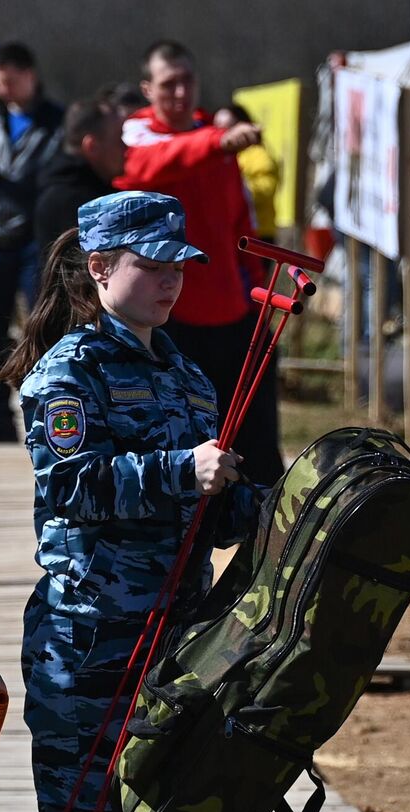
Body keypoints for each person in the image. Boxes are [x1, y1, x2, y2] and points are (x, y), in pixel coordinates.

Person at [4, 191, 380, 812]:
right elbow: (71, 488)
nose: (173, 280)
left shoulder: (185, 375)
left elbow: (212, 517)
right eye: (152, 264)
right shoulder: (64, 376)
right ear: (99, 270)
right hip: (90, 647)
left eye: (181, 265)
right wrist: (183, 470)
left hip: (184, 643)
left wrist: (277, 509)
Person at [120, 40, 283, 485]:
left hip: (233, 313)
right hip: (169, 320)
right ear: (148, 89)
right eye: (168, 84)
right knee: (184, 444)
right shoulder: (138, 132)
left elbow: (239, 225)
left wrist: (256, 294)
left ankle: (264, 536)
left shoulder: (215, 137)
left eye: (187, 81)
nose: (180, 92)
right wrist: (216, 141)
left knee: (256, 445)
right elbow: (147, 164)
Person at [0, 41, 63, 443]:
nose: (3, 91)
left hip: (36, 240)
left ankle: (50, 413)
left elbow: (56, 177)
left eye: (11, 82)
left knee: (44, 326)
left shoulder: (58, 121)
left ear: (31, 76)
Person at [33, 95, 125, 252]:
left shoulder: (96, 189)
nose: (126, 148)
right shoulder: (75, 205)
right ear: (92, 146)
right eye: (119, 139)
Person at [214, 103, 278, 243]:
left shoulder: (257, 154)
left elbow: (266, 188)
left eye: (228, 127)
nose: (222, 133)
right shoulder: (222, 158)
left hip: (258, 233)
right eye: (216, 128)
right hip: (232, 230)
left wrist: (237, 189)